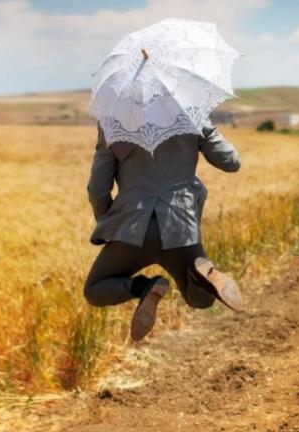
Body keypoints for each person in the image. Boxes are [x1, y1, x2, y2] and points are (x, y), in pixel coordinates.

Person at [83, 121, 244, 342]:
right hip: (181, 225)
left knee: (94, 289)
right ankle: (204, 274)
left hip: (132, 227)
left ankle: (144, 287)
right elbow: (231, 162)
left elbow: (97, 188)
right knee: (200, 300)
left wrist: (110, 224)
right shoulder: (189, 114)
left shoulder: (114, 121)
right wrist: (204, 127)